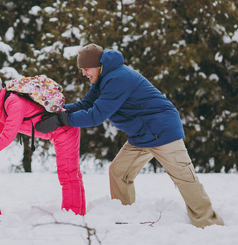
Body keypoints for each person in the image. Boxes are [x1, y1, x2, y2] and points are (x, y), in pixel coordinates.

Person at [35, 43, 224, 228]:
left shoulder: (118, 78)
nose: (83, 73)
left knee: (184, 177)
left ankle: (209, 224)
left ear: (98, 65)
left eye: (85, 69)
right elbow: (86, 104)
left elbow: (95, 115)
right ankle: (125, 214)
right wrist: (56, 110)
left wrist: (61, 120)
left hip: (162, 130)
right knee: (119, 172)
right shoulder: (102, 79)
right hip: (142, 133)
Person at [0, 61, 86, 216]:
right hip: (58, 133)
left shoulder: (13, 103)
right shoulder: (1, 109)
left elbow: (6, 137)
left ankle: (73, 215)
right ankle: (79, 212)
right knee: (71, 174)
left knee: (68, 174)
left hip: (65, 130)